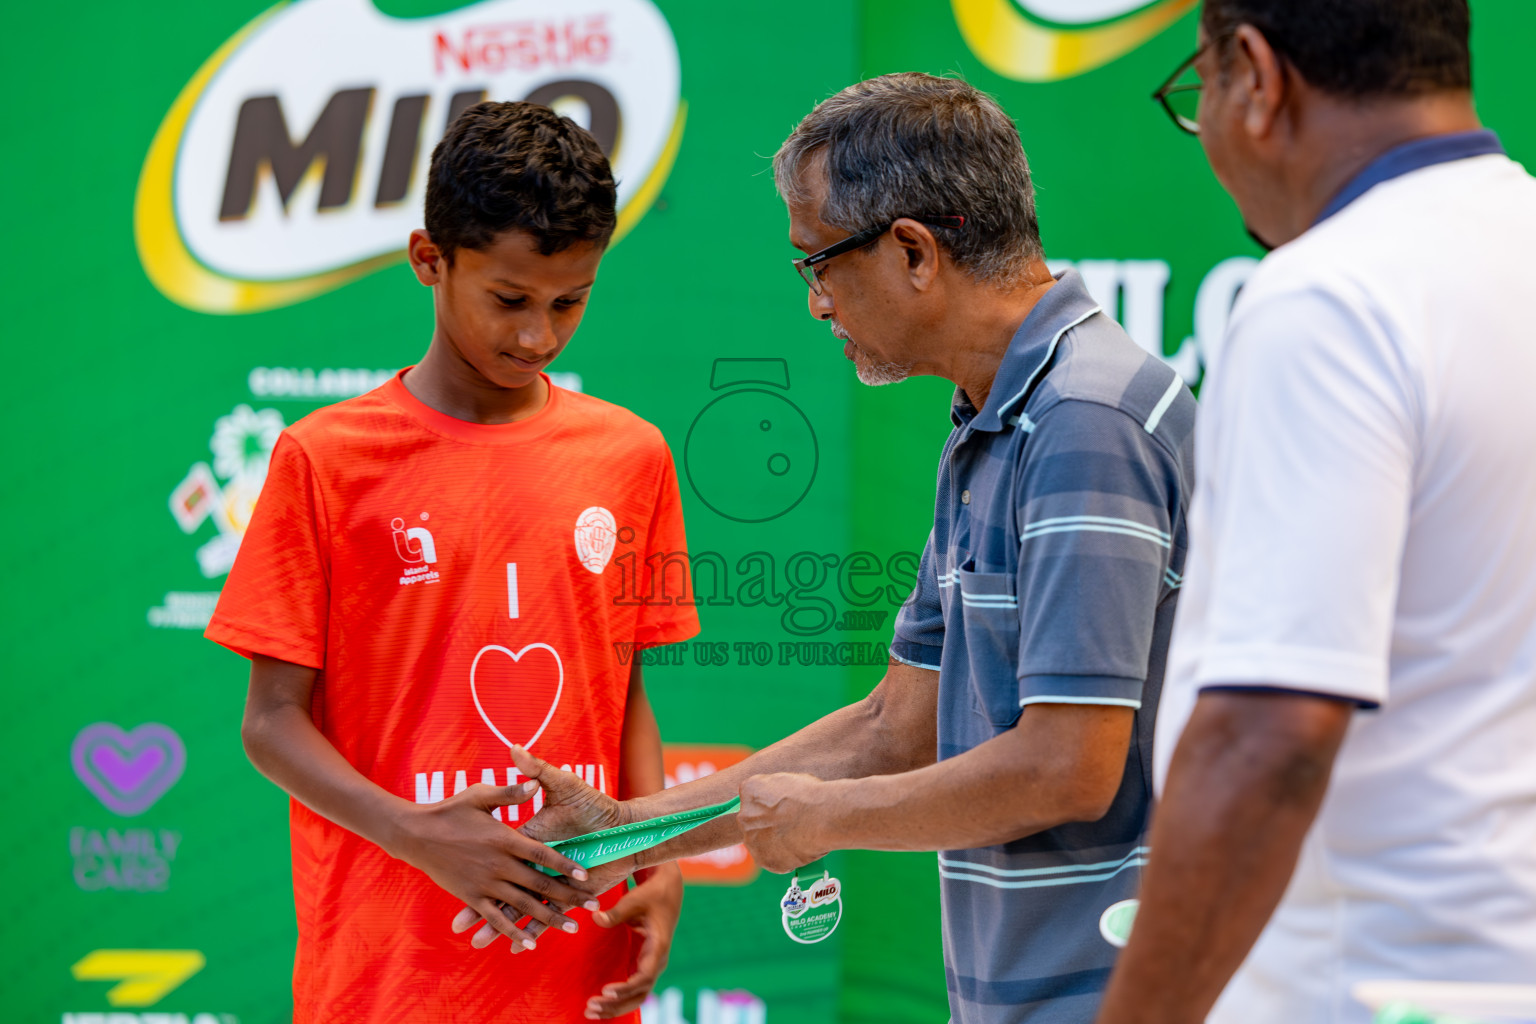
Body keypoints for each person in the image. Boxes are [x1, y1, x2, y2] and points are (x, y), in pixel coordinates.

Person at [474, 73, 1197, 1023]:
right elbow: (891, 728)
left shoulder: (1085, 418)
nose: (815, 304)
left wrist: (830, 821)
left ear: (912, 252)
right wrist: (625, 832)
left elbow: (1069, 765)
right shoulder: (998, 415)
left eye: (816, 263)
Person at [204, 101, 697, 1023]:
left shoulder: (632, 456)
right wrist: (412, 832)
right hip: (388, 974)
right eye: (510, 300)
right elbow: (270, 722)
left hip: (576, 970)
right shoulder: (324, 459)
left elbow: (627, 689)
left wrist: (657, 853)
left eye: (570, 301)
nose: (538, 336)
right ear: (430, 260)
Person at [1096, 2, 1536, 1022]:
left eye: (1192, 90)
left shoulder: (1331, 298)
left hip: (1368, 984)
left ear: (1254, 74)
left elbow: (1269, 735)